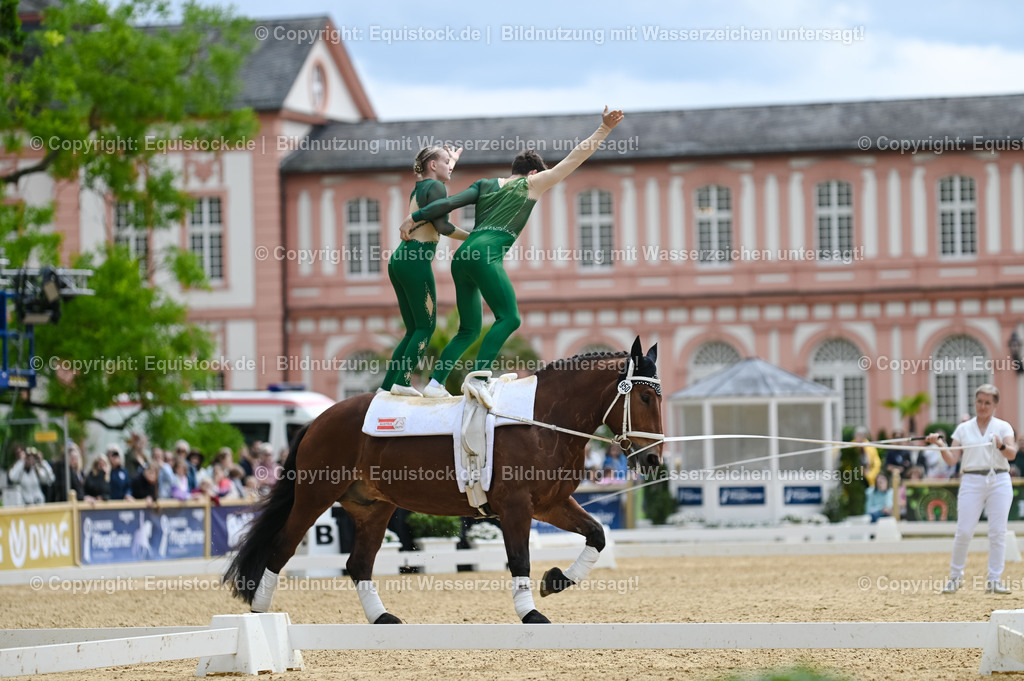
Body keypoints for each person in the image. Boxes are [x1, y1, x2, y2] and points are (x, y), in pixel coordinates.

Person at [401, 106, 625, 400]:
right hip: (485, 255)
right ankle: (478, 379)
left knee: (468, 329)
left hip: (462, 257)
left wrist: (415, 217)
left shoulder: (485, 184)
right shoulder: (533, 183)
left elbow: (450, 203)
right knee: (510, 318)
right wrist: (605, 129)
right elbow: (575, 157)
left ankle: (435, 384)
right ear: (533, 172)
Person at [380, 145, 469, 397]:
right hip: (416, 259)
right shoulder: (437, 187)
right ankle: (403, 382)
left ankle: (386, 387)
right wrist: (473, 236)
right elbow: (442, 225)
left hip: (399, 260)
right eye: (445, 163)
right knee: (426, 328)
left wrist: (451, 159)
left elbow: (440, 177)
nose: (449, 168)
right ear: (433, 165)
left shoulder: (420, 187)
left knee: (412, 330)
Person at [927, 384, 1017, 594]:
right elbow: (952, 459)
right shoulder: (963, 429)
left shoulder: (1003, 427)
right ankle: (955, 577)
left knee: (997, 532)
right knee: (964, 531)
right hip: (971, 479)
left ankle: (994, 579)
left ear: (995, 405)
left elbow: (1011, 454)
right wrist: (941, 445)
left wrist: (1001, 445)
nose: (982, 406)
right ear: (975, 402)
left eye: (987, 403)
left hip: (999, 479)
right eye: (979, 402)